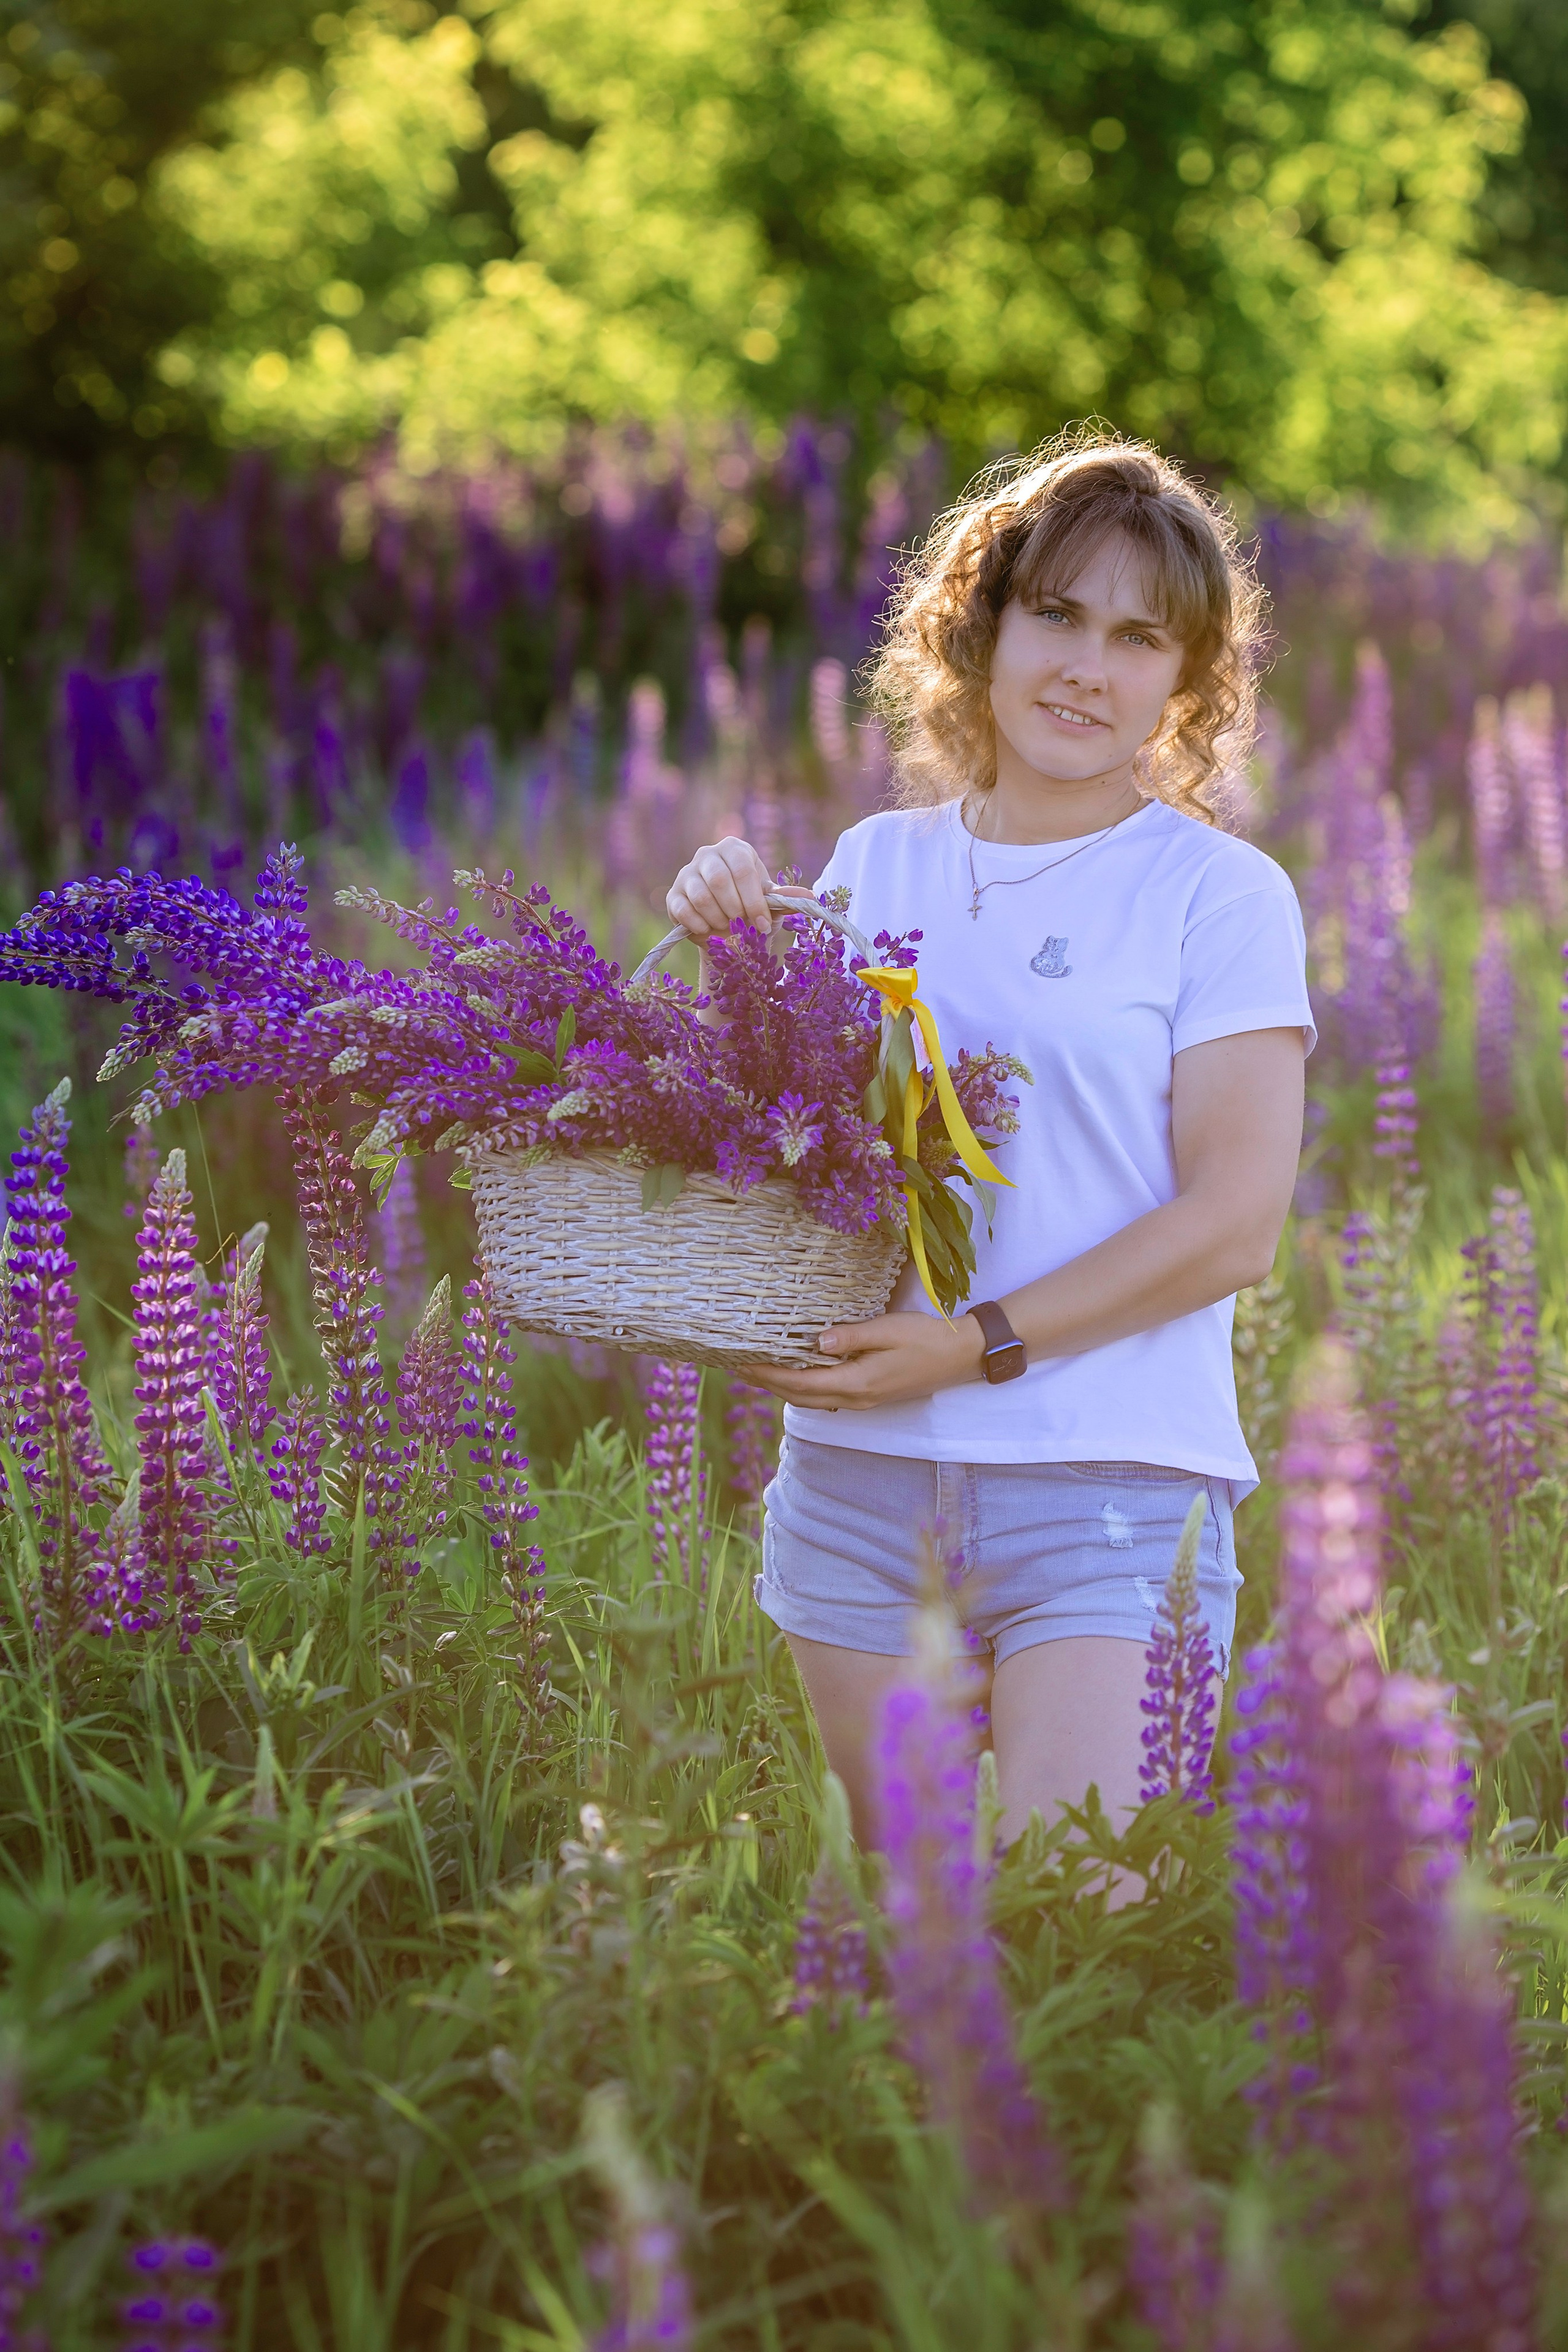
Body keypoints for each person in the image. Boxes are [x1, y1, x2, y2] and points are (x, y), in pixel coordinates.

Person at [665, 432, 1313, 1856]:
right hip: (853, 1476)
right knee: (920, 1920)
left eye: (1138, 637)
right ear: (983, 623)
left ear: (1184, 679)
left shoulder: (1217, 895)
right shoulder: (871, 868)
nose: (1088, 668)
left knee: (1072, 1920)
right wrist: (731, 946)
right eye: (1056, 616)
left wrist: (974, 1343)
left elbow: (1230, 1224)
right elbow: (786, 1150)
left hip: (1104, 1480)